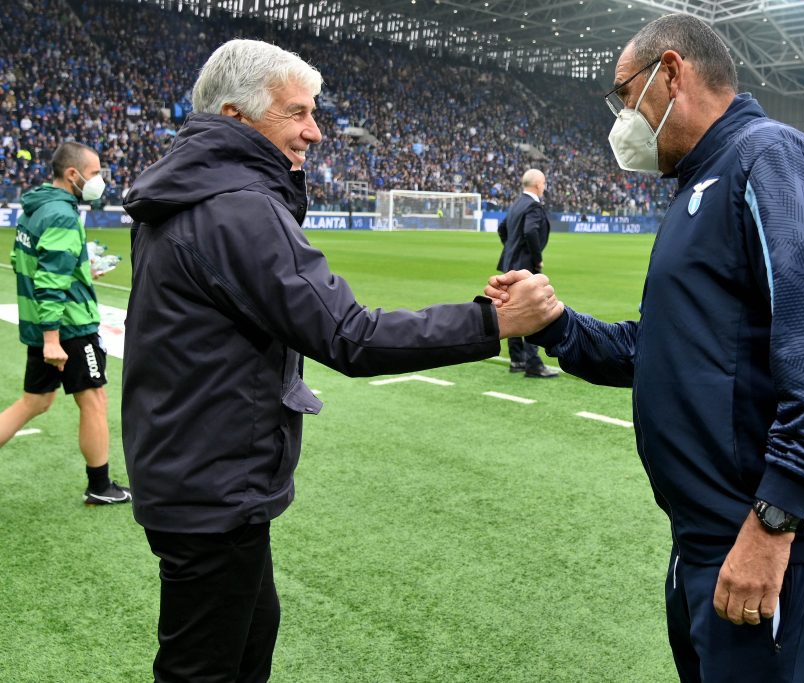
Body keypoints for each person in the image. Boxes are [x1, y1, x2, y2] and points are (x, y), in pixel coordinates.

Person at [120, 39, 561, 683]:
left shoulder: (188, 192)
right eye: (297, 113)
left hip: (192, 470)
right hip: (209, 484)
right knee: (206, 666)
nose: (315, 131)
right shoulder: (235, 208)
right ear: (239, 117)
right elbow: (350, 336)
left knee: (245, 639)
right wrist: (491, 322)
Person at [487, 14, 804, 683]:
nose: (621, 117)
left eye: (623, 93)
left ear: (671, 72)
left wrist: (773, 518)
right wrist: (556, 326)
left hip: (765, 533)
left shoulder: (768, 157)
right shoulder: (702, 180)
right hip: (706, 531)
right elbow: (660, 350)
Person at [0, 141, 130, 506]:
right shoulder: (61, 213)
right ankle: (100, 486)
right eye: (94, 173)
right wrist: (52, 339)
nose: (99, 180)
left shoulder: (35, 207)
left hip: (46, 323)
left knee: (34, 402)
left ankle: (100, 484)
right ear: (72, 174)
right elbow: (50, 281)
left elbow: (31, 262)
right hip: (69, 327)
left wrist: (83, 272)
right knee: (94, 400)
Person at [496, 169, 558, 378]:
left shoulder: (516, 204)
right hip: (524, 266)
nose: (544, 187)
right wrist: (536, 257)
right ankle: (533, 364)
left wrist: (511, 249)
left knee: (512, 309)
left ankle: (517, 360)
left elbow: (502, 228)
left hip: (510, 264)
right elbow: (531, 231)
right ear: (538, 185)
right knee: (530, 310)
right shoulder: (532, 206)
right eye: (544, 183)